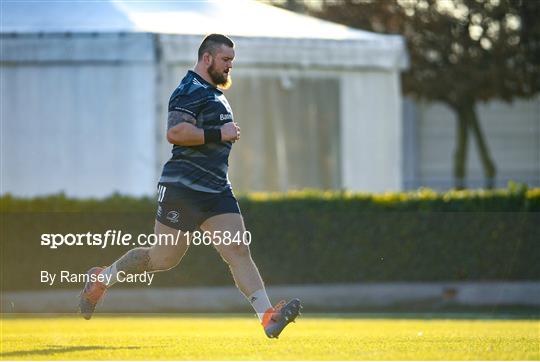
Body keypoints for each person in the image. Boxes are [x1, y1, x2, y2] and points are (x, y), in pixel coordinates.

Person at [78, 33, 301, 339]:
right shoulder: (188, 89)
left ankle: (267, 318)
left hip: (217, 190)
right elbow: (176, 132)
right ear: (207, 58)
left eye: (232, 62)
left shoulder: (215, 94)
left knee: (238, 249)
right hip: (183, 188)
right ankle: (101, 279)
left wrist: (222, 133)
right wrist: (218, 133)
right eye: (225, 60)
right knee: (163, 258)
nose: (229, 67)